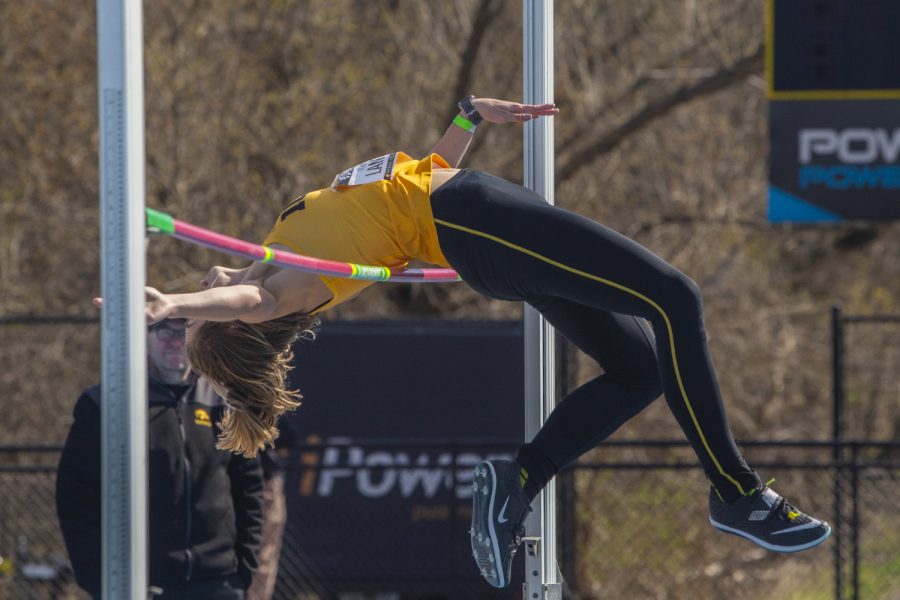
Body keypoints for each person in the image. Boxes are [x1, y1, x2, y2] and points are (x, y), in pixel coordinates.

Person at [102, 95, 831, 589]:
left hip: (468, 215)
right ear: (233, 323)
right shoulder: (286, 287)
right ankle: (736, 492)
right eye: (205, 318)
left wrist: (466, 115)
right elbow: (250, 298)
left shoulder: (276, 246)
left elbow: (412, 180)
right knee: (677, 296)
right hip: (475, 221)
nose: (204, 294)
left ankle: (517, 477)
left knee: (639, 366)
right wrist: (172, 303)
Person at [56, 318, 265, 599]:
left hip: (218, 582)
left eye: (185, 332)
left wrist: (244, 568)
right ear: (144, 339)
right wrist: (97, 578)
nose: (176, 342)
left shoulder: (224, 402)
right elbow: (75, 495)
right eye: (165, 332)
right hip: (139, 584)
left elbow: (249, 488)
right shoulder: (107, 403)